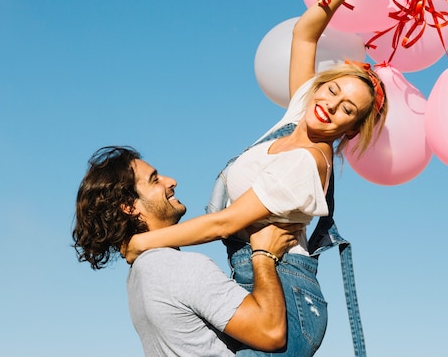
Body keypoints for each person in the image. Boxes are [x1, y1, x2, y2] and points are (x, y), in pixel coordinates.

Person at [124, 0, 391, 357]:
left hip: (288, 295)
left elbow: (225, 222)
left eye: (348, 110)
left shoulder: (306, 164)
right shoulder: (302, 109)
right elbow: (305, 34)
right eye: (333, 91)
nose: (331, 106)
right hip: (258, 280)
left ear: (350, 130)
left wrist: (143, 244)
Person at [72, 146, 302, 357]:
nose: (171, 181)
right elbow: (270, 332)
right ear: (130, 207)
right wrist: (263, 255)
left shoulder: (139, 274)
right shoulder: (175, 267)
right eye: (154, 180)